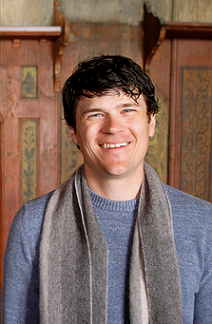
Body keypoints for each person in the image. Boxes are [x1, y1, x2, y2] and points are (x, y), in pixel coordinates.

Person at [1, 54, 212, 324]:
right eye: (96, 114)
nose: (113, 127)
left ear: (152, 122)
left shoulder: (203, 224)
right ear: (73, 132)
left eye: (127, 110)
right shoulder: (32, 224)